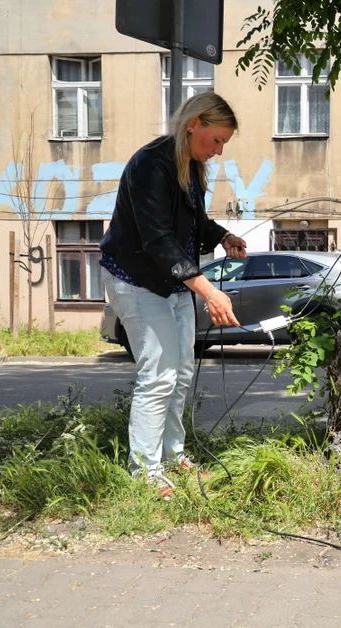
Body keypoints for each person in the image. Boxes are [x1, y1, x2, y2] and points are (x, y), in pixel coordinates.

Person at [99, 92, 247, 496]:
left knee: (181, 373)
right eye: (215, 140)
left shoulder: (191, 166)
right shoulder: (150, 165)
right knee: (158, 376)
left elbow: (192, 221)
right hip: (135, 278)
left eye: (223, 145)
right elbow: (158, 239)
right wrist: (209, 291)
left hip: (172, 280)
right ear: (193, 123)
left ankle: (172, 454)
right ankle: (145, 474)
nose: (217, 151)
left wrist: (223, 235)